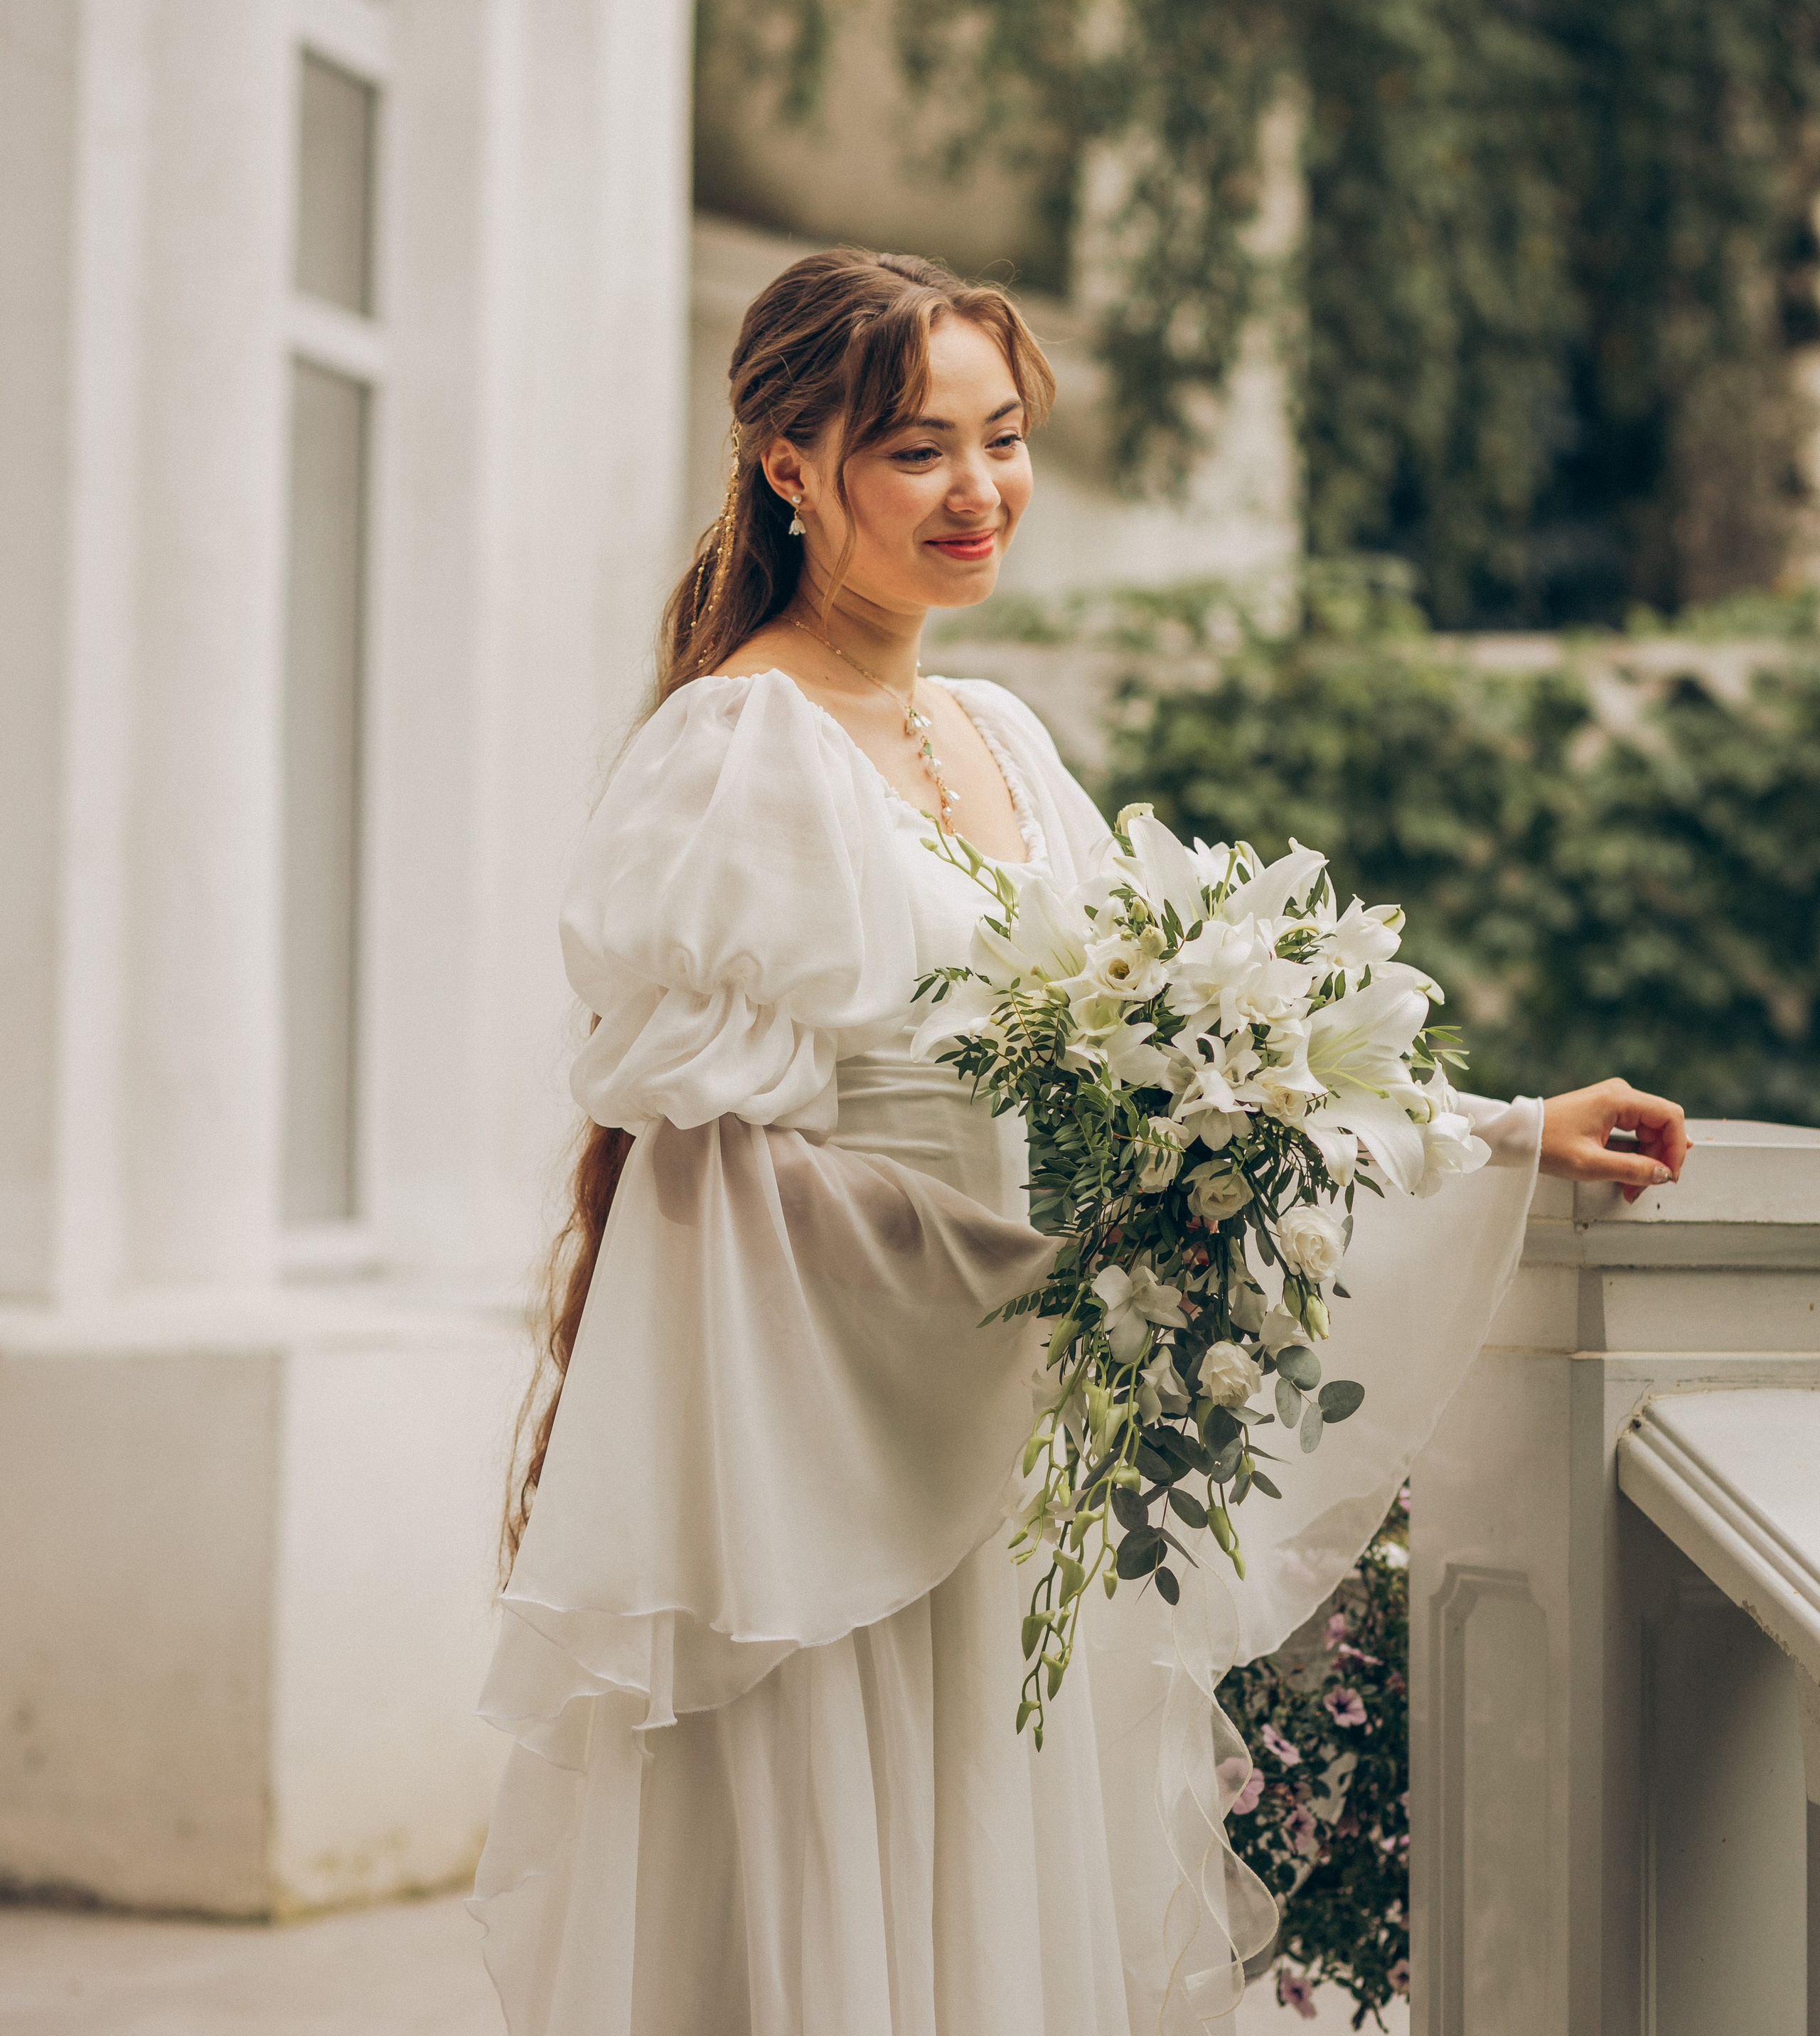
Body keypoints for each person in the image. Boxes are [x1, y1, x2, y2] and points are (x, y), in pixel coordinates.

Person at [471, 248, 1686, 2036]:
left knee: (1005, 1895)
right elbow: (723, 1171)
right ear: (789, 465)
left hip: (1019, 1426)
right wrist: (1026, 1270)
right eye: (915, 450)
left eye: (1003, 437)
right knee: (847, 1896)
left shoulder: (999, 735)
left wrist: (1490, 1132)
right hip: (836, 1453)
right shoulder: (739, 746)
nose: (977, 491)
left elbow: (1178, 1057)